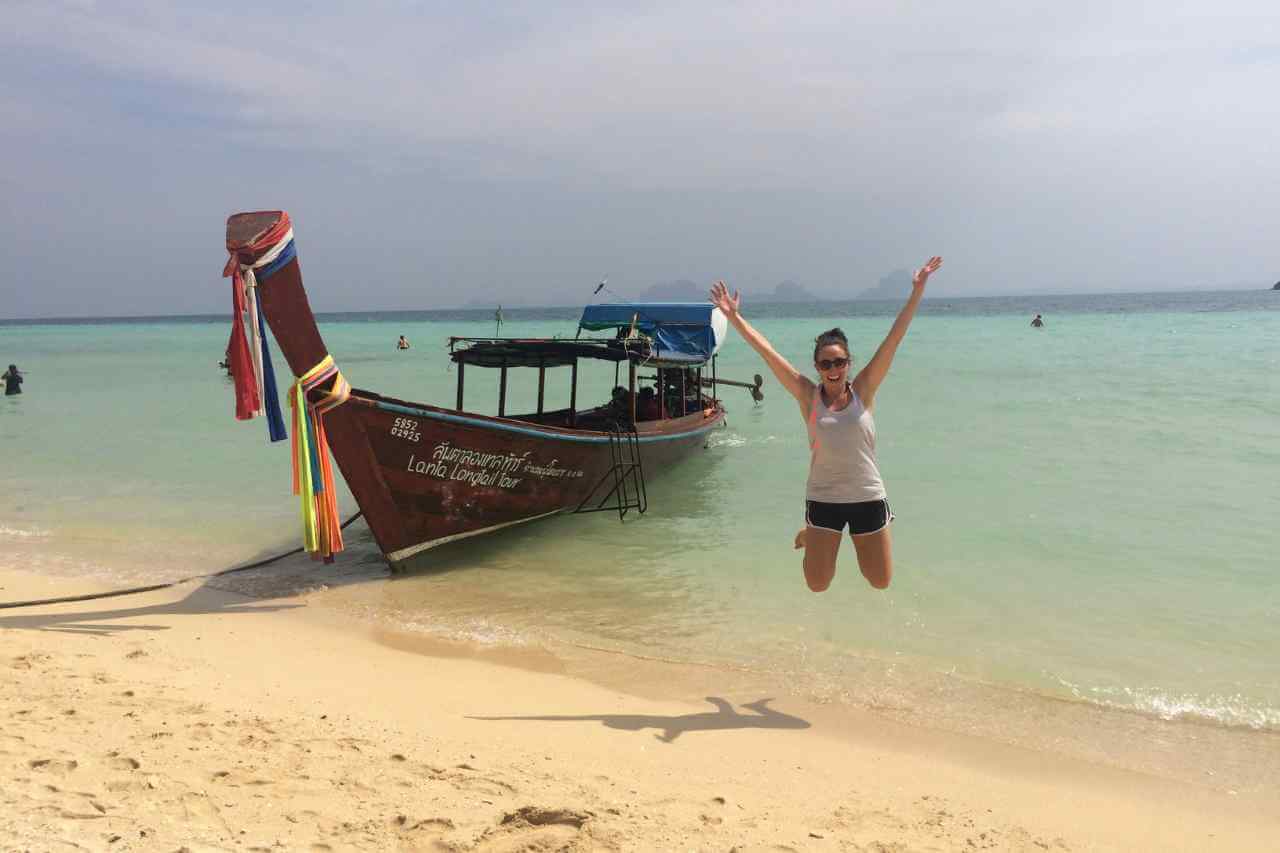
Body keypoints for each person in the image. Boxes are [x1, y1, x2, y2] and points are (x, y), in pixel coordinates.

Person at [709, 256, 943, 592]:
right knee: (817, 584)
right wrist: (735, 317)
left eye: (840, 361)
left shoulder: (864, 388)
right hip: (824, 497)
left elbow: (894, 338)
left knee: (880, 581)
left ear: (849, 363)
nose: (833, 368)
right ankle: (815, 536)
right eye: (825, 363)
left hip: (867, 496)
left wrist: (917, 290)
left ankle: (826, 537)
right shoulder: (808, 395)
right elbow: (768, 352)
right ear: (817, 366)